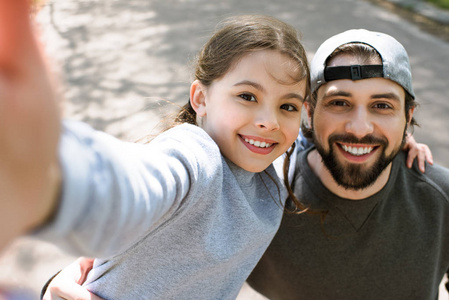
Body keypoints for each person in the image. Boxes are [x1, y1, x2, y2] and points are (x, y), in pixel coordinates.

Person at [0, 2, 310, 298]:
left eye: (287, 106)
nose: (270, 122)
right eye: (247, 96)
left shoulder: (271, 179)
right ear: (200, 99)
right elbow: (135, 186)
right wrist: (51, 176)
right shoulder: (195, 154)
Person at [245, 29, 449, 299]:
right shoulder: (263, 193)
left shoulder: (441, 199)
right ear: (309, 112)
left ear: (407, 117)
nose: (360, 128)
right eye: (339, 103)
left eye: (382, 106)